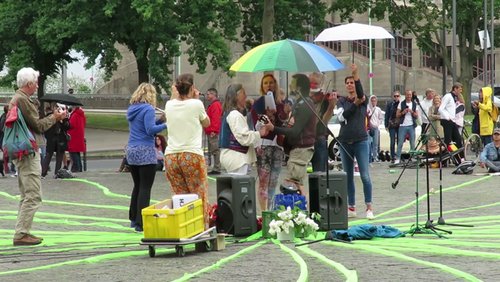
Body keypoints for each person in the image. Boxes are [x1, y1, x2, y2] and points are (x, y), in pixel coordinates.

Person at [9, 67, 66, 246]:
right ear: (29, 84)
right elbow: (38, 126)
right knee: (33, 195)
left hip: (20, 150)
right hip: (27, 151)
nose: (37, 85)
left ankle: (22, 231)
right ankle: (21, 234)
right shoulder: (23, 100)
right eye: (36, 82)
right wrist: (54, 117)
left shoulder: (18, 98)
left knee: (26, 195)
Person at [164, 73, 211, 227]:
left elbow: (171, 108)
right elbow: (207, 123)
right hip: (191, 154)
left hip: (171, 155)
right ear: (192, 87)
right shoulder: (196, 104)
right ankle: (201, 228)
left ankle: (184, 227)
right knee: (199, 194)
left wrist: (174, 95)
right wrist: (195, 99)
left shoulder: (169, 105)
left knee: (179, 196)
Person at [267, 73, 317, 198]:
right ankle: (301, 212)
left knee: (294, 184)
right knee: (295, 183)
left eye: (293, 84)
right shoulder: (300, 103)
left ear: (299, 88)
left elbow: (296, 131)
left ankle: (302, 213)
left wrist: (274, 128)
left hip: (301, 149)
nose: (290, 85)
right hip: (298, 148)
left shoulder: (305, 104)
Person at [126, 83, 167, 232]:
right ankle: (141, 222)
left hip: (132, 150)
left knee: (137, 185)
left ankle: (133, 219)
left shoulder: (132, 109)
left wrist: (160, 120)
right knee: (145, 187)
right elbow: (150, 130)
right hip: (145, 150)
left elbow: (143, 127)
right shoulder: (148, 109)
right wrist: (166, 125)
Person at [336, 64, 374, 220]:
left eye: (352, 82)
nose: (350, 85)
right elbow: (341, 117)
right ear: (345, 86)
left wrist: (356, 74)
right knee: (348, 176)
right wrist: (354, 105)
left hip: (361, 141)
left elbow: (361, 93)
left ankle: (369, 207)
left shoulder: (363, 100)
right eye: (348, 83)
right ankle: (351, 206)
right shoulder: (341, 101)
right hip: (344, 141)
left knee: (364, 175)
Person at [250, 74, 287, 210]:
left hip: (277, 145)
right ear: (262, 86)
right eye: (265, 83)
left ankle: (271, 208)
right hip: (264, 145)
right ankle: (264, 212)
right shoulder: (258, 103)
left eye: (271, 82)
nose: (268, 85)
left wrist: (282, 114)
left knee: (274, 180)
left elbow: (284, 124)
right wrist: (266, 116)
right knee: (263, 181)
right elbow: (257, 126)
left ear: (275, 85)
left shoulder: (281, 104)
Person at [219, 84, 271, 175]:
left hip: (234, 158)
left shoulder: (230, 113)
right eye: (243, 93)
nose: (246, 96)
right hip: (237, 158)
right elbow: (244, 137)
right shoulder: (235, 115)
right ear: (236, 96)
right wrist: (260, 133)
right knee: (239, 187)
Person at [309, 72, 336, 171]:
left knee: (320, 173)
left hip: (319, 138)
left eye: (316, 83)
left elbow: (325, 121)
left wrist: (331, 106)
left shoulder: (325, 99)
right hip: (304, 139)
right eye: (311, 83)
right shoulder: (303, 97)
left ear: (320, 84)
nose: (313, 86)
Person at [41, 104, 70, 178]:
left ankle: (56, 173)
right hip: (52, 138)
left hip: (59, 139)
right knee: (49, 155)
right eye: (56, 107)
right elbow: (46, 128)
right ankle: (44, 173)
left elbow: (67, 127)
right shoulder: (50, 116)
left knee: (59, 156)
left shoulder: (61, 117)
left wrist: (65, 119)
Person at [395, 90, 420, 164]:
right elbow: (397, 115)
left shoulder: (415, 104)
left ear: (411, 95)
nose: (409, 96)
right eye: (407, 95)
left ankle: (412, 157)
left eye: (410, 95)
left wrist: (411, 111)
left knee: (412, 143)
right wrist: (403, 112)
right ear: (405, 95)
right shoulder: (401, 104)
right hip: (403, 125)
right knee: (400, 143)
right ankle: (398, 158)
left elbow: (417, 115)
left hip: (411, 125)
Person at [438, 83, 464, 155]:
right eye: (460, 89)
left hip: (452, 121)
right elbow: (441, 109)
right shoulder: (448, 96)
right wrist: (447, 117)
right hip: (447, 121)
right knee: (448, 141)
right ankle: (445, 157)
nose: (461, 91)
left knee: (458, 139)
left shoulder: (454, 97)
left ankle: (460, 158)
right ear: (455, 89)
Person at [204, 88, 223, 174]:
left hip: (212, 131)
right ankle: (215, 166)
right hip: (210, 130)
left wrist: (214, 130)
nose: (207, 96)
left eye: (208, 94)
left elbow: (216, 119)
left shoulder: (215, 105)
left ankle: (217, 167)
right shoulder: (214, 105)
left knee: (215, 149)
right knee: (213, 149)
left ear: (213, 94)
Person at [67, 106, 86, 173]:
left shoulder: (74, 115)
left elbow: (70, 125)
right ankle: (79, 168)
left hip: (73, 137)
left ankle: (76, 169)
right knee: (77, 153)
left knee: (73, 153)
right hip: (78, 136)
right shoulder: (80, 114)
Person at [384, 91, 401, 162]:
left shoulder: (401, 104)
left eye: (397, 96)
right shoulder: (390, 104)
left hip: (399, 124)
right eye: (395, 96)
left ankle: (398, 155)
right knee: (392, 140)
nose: (396, 97)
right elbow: (387, 114)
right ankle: (392, 156)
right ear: (393, 97)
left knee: (399, 141)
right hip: (392, 124)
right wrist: (386, 125)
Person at [367, 95, 384, 163]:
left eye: (375, 101)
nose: (373, 102)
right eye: (372, 101)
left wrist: (377, 124)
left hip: (376, 128)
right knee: (369, 143)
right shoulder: (368, 109)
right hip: (369, 128)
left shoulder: (378, 109)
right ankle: (369, 157)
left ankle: (375, 156)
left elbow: (381, 118)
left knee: (375, 143)